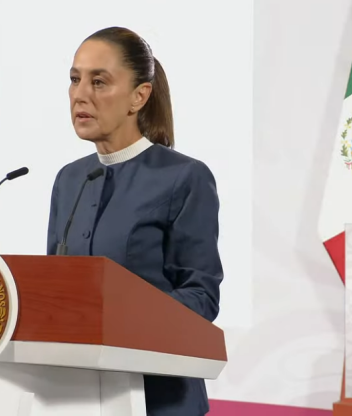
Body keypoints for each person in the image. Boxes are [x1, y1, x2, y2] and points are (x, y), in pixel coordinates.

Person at [46, 26, 223, 416]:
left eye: (98, 82)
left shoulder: (184, 177)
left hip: (161, 400)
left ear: (139, 96)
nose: (80, 94)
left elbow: (201, 295)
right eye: (74, 79)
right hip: (78, 399)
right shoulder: (69, 179)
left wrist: (123, 318)